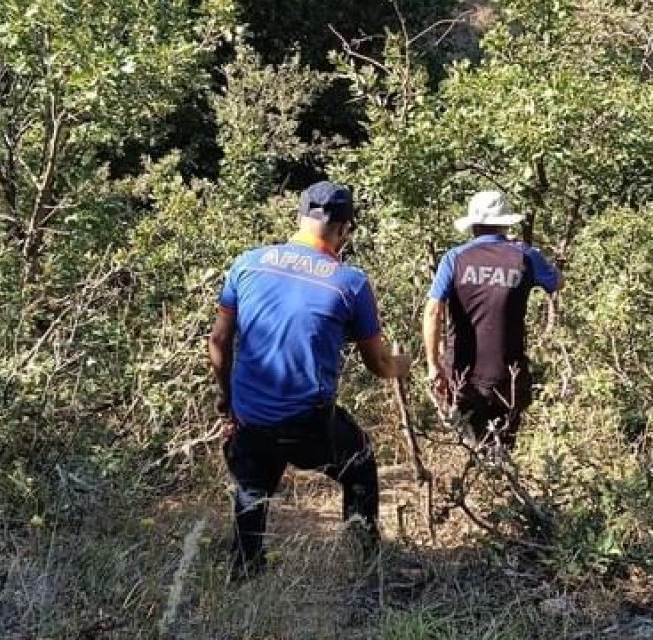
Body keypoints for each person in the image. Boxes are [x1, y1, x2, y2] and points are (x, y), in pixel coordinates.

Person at [208, 180, 410, 577]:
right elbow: (379, 365)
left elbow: (218, 339)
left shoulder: (247, 262)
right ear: (344, 229)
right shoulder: (349, 282)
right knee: (360, 462)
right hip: (308, 425)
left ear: (299, 218)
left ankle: (245, 569)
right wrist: (404, 364)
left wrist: (228, 397)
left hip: (250, 417)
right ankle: (366, 561)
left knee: (252, 488)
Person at [423, 190, 563, 457]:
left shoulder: (454, 259)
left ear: (473, 224)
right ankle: (501, 489)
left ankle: (481, 489)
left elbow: (432, 311)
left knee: (471, 447)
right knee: (503, 449)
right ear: (505, 223)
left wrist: (434, 365)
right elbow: (557, 282)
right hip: (508, 375)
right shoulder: (525, 256)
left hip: (462, 375)